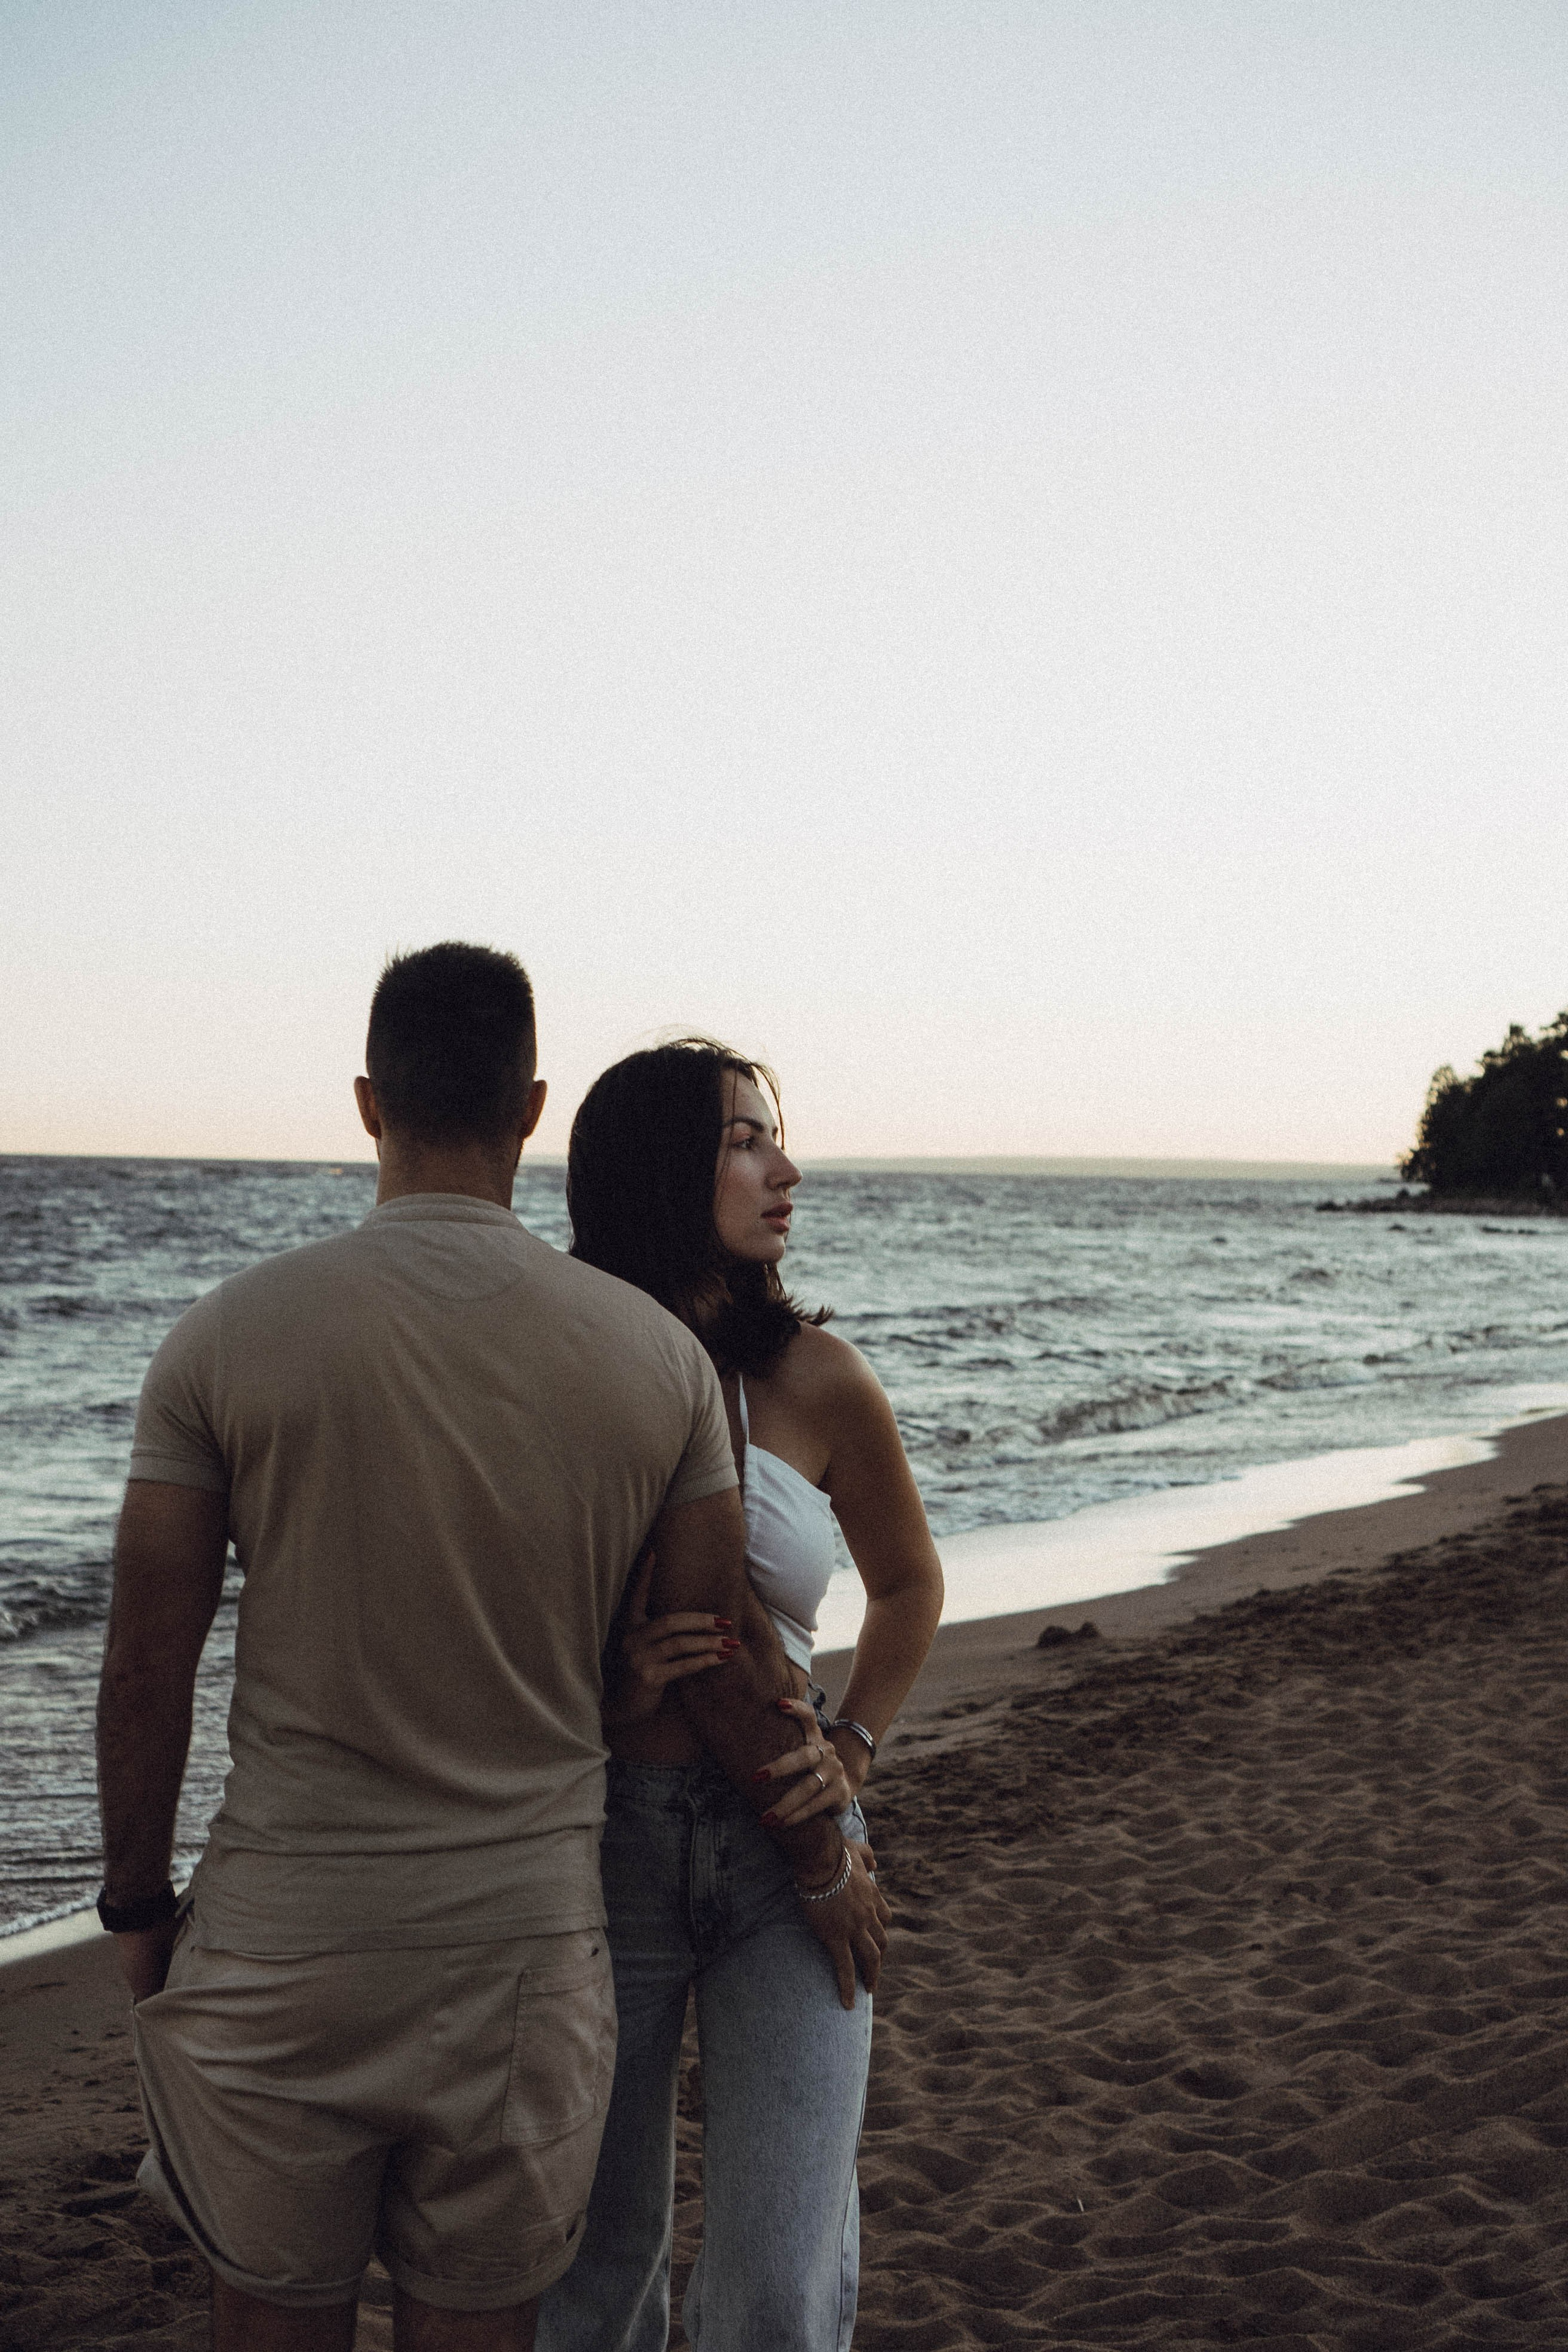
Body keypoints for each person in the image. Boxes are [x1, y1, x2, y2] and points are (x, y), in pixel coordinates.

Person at [96, 947, 886, 2352]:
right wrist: (817, 1826)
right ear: (528, 1111)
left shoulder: (223, 1338)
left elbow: (148, 1662)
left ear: (367, 1103)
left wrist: (139, 1906)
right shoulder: (650, 1361)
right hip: (525, 1945)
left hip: (286, 1936)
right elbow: (718, 1642)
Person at [537, 1040, 944, 2352]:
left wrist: (854, 1747)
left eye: (776, 1136)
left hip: (789, 1848)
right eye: (744, 1140)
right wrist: (600, 1693)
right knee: (593, 2272)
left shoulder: (818, 1376)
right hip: (607, 1841)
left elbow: (908, 1583)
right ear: (662, 1168)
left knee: (776, 2285)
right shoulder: (565, 1374)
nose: (786, 1169)